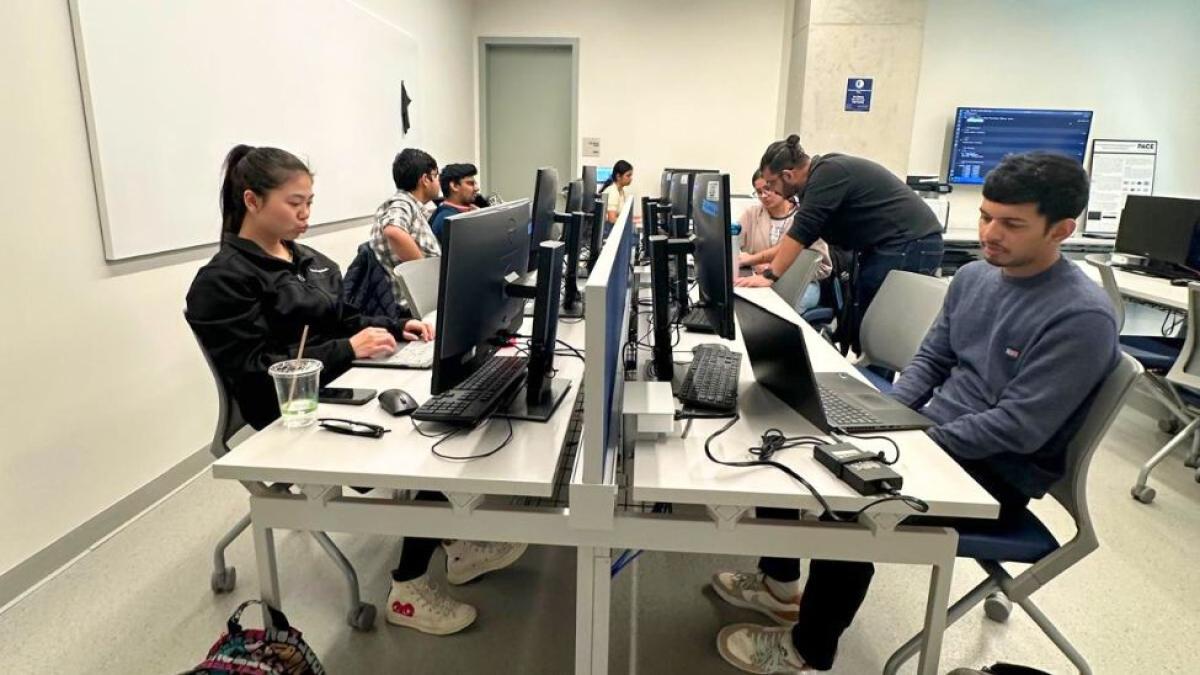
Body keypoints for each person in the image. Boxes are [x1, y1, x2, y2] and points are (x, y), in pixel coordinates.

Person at [713, 152, 1120, 673]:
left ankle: (808, 648)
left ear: (1062, 229)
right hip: (935, 436)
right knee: (788, 432)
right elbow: (932, 359)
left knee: (850, 499)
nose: (991, 232)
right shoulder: (975, 277)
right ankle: (779, 584)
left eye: (1012, 224)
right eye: (987, 216)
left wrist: (915, 442)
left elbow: (1020, 427)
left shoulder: (1081, 316)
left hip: (994, 471)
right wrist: (887, 417)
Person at [189, 145, 524, 638]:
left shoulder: (308, 260)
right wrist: (348, 348)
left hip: (341, 381)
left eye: (309, 202)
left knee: (449, 407)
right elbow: (259, 375)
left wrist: (398, 325)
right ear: (252, 201)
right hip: (288, 411)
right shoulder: (222, 282)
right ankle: (408, 589)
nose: (305, 214)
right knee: (430, 440)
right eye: (294, 203)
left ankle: (454, 543)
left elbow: (346, 318)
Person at [735, 135, 944, 349]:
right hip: (891, 245)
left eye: (771, 183)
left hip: (910, 242)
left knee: (883, 329)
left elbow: (801, 233)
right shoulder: (820, 177)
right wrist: (759, 265)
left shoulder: (827, 175)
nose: (771, 190)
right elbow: (799, 240)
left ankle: (875, 380)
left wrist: (770, 276)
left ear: (787, 175)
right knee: (865, 319)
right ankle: (871, 375)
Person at [738, 169, 832, 312]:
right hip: (761, 280)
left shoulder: (806, 218)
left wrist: (778, 268)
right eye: (759, 192)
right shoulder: (752, 214)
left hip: (801, 285)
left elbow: (824, 268)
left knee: (775, 309)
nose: (764, 195)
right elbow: (731, 244)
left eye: (768, 189)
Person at [370, 148, 443, 304]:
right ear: (425, 179)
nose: (439, 182)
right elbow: (393, 231)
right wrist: (424, 273)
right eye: (436, 176)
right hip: (413, 309)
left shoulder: (411, 205)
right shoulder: (402, 203)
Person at [428, 163, 480, 241]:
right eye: (470, 183)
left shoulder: (459, 215)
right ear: (454, 186)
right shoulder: (448, 220)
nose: (476, 188)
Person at [599, 159, 633, 226]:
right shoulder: (613, 192)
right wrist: (628, 223)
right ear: (618, 176)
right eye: (628, 176)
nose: (631, 178)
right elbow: (612, 219)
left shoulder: (621, 191)